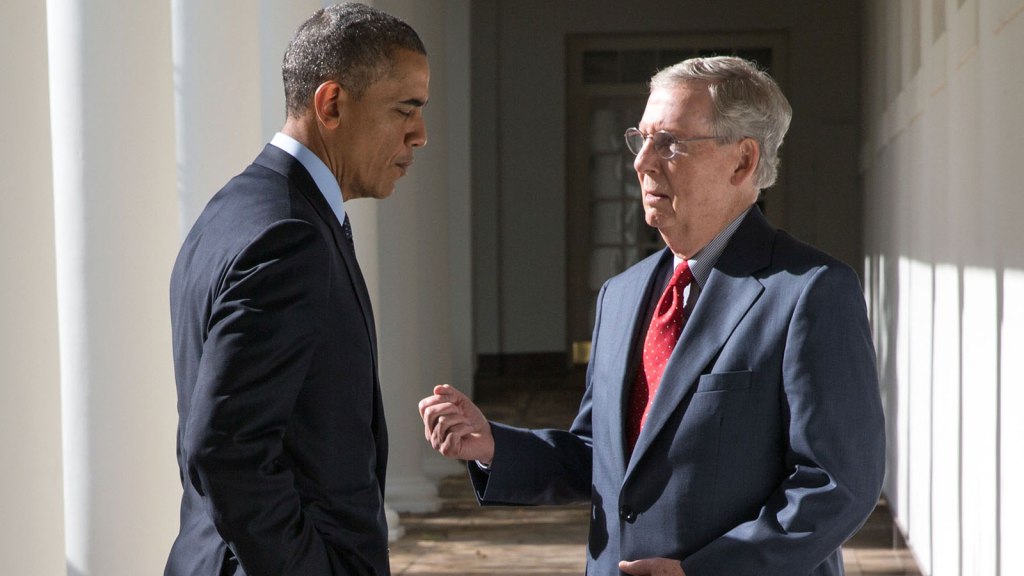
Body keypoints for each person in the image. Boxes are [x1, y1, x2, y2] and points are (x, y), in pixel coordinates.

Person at [419, 56, 884, 576]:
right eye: (640, 139)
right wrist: (494, 446)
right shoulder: (621, 294)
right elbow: (605, 454)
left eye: (669, 143)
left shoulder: (811, 292)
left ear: (742, 162)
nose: (642, 162)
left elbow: (836, 485)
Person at [166, 4, 428, 575]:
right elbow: (224, 448)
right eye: (405, 110)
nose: (421, 135)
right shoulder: (288, 236)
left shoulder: (236, 208)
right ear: (331, 104)